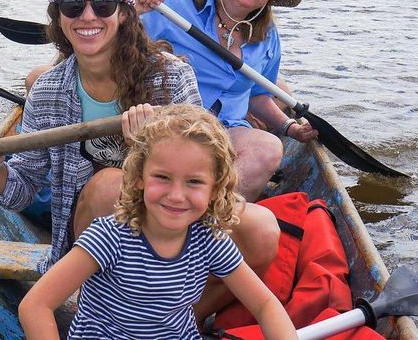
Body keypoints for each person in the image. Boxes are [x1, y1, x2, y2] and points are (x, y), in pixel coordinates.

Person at [0, 0, 202, 273]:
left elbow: (208, 168)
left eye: (103, 5)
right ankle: (99, 295)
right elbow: (20, 193)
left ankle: (181, 315)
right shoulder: (48, 91)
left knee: (260, 226)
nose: (88, 17)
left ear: (124, 15)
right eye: (73, 6)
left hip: (174, 217)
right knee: (109, 186)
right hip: (89, 236)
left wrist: (152, 148)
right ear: (59, 18)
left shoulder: (171, 77)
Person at [18, 104, 295, 340]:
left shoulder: (210, 240)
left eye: (194, 182)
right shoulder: (109, 237)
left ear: (214, 189)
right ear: (139, 178)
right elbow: (36, 305)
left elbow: (265, 304)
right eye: (162, 177)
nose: (176, 196)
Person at [137, 0, 318, 202]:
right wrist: (135, 6)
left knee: (268, 148)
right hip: (167, 126)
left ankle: (209, 219)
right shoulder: (171, 3)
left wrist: (289, 128)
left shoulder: (267, 37)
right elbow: (114, 41)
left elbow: (258, 96)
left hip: (226, 133)